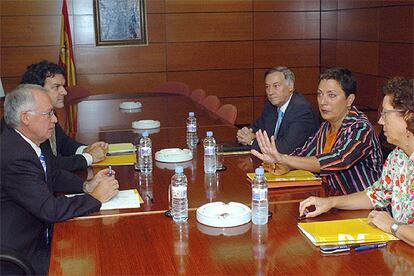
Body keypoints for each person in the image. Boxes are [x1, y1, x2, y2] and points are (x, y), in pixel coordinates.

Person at [0, 84, 119, 274]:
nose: (55, 119)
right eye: (48, 114)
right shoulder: (15, 156)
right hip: (20, 255)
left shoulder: (30, 140)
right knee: (98, 263)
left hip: (39, 235)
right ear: (26, 118)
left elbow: (51, 174)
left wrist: (87, 186)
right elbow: (50, 210)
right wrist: (95, 198)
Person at [299, 77, 414, 247]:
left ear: (408, 115)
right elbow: (376, 194)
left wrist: (393, 226)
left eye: (385, 114)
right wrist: (331, 202)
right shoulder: (397, 157)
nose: (380, 121)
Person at [252, 67, 383, 194]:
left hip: (364, 209)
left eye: (331, 95)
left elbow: (338, 159)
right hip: (329, 198)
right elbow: (303, 153)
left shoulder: (360, 128)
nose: (323, 102)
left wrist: (284, 159)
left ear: (349, 100)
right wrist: (279, 163)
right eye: (320, 94)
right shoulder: (326, 126)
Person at [21, 60, 107, 171]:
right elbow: (49, 163)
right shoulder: (28, 120)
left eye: (63, 86)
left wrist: (85, 149)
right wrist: (89, 158)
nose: (64, 92)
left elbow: (63, 142)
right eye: (56, 87)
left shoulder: (48, 111)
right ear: (37, 90)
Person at [236, 66, 319, 153]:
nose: (270, 92)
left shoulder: (302, 110)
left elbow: (285, 148)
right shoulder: (271, 106)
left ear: (290, 86)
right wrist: (244, 133)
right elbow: (257, 127)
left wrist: (251, 141)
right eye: (267, 87)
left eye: (276, 86)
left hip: (296, 163)